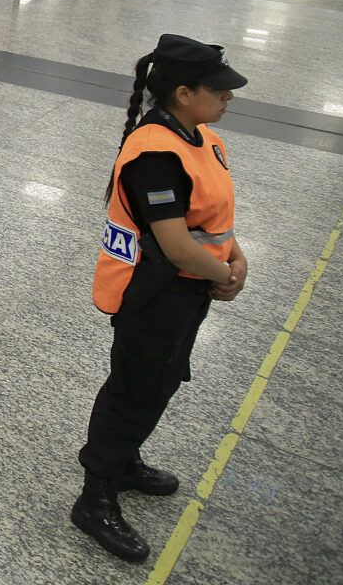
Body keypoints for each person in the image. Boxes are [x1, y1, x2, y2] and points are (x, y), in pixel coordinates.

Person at [71, 34, 249, 563]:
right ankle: (95, 493)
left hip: (188, 287)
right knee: (134, 388)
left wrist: (237, 259)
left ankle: (123, 462)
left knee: (162, 378)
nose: (228, 97)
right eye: (219, 90)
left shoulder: (203, 137)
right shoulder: (154, 153)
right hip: (152, 291)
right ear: (183, 92)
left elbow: (212, 217)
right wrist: (227, 275)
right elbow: (173, 244)